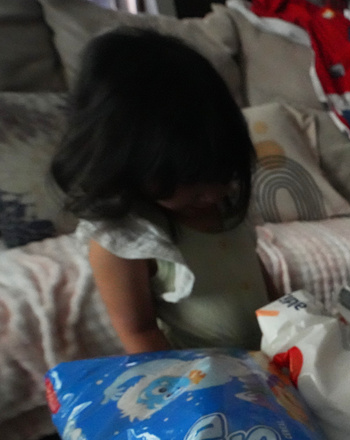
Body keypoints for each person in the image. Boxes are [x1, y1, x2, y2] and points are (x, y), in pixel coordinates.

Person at [51, 27, 272, 354]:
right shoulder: (124, 239)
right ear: (126, 165)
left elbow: (253, 268)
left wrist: (286, 315)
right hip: (202, 382)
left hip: (271, 358)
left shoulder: (224, 206)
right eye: (190, 186)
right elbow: (139, 332)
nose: (212, 196)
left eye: (223, 174)